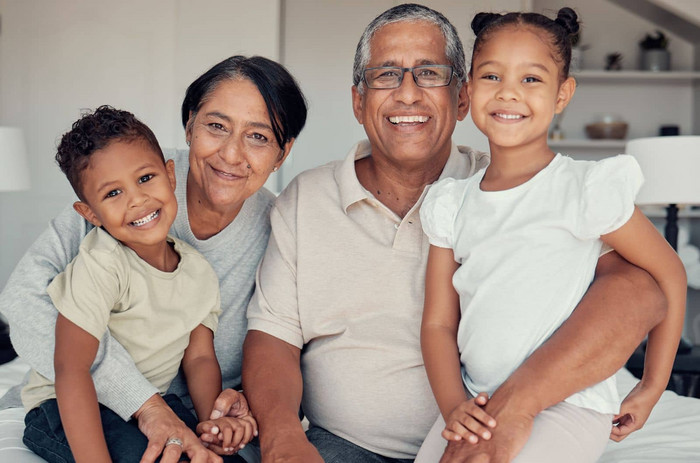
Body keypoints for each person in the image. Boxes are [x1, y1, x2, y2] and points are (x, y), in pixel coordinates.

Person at [239, 4, 665, 463]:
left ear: (462, 97)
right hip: (343, 446)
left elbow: (638, 290)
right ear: (358, 101)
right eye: (385, 74)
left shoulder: (517, 186)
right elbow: (273, 335)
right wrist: (284, 436)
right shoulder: (306, 198)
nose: (407, 94)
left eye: (429, 73)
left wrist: (518, 405)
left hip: (501, 430)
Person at [0, 55, 307, 463]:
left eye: (258, 136)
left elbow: (231, 353)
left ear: (282, 154)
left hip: (183, 411)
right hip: (80, 408)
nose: (231, 154)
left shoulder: (273, 233)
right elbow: (24, 302)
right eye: (216, 126)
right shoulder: (119, 196)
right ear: (190, 125)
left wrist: (222, 417)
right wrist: (143, 403)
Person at [416, 8, 686, 462]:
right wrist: (453, 407)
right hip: (479, 400)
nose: (508, 93)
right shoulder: (451, 203)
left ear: (563, 95)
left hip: (571, 404)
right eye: (491, 76)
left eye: (531, 80)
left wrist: (652, 385)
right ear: (467, 91)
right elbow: (439, 324)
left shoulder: (586, 189)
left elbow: (670, 274)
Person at [22, 105, 257, 462]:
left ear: (170, 176)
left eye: (146, 178)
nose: (137, 199)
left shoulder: (198, 271)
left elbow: (199, 358)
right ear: (91, 215)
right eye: (112, 194)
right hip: (66, 408)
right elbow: (72, 370)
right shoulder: (102, 263)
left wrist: (213, 425)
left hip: (155, 403)